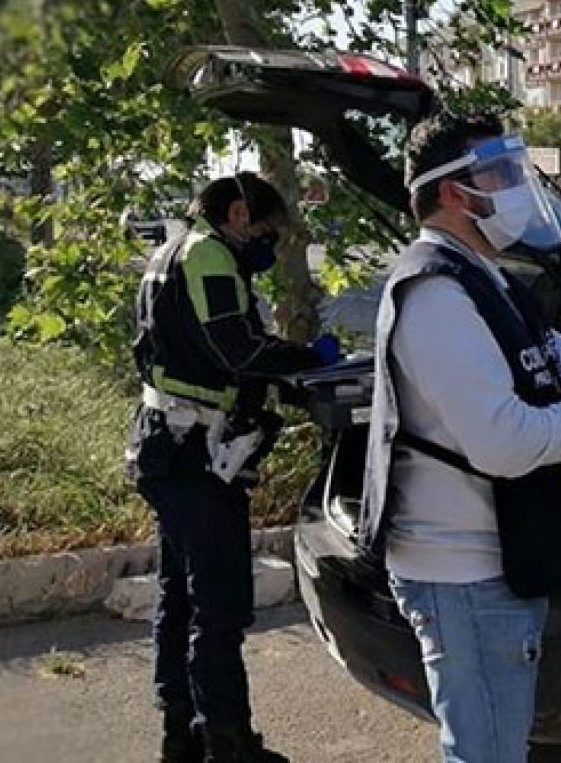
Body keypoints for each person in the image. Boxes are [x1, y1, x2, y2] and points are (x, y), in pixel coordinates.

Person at [358, 111, 561, 763]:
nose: (518, 184)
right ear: (456, 193)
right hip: (462, 576)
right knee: (486, 754)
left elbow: (556, 356)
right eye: (502, 172)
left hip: (497, 564)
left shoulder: (486, 276)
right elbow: (503, 444)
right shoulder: (435, 292)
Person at [127, 172, 335, 763]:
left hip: (168, 441)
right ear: (239, 213)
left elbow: (195, 350)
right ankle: (229, 743)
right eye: (267, 230)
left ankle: (182, 735)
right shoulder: (211, 256)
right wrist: (305, 359)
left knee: (181, 594)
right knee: (218, 602)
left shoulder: (168, 249)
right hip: (195, 452)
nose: (268, 244)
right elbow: (237, 350)